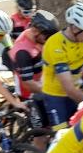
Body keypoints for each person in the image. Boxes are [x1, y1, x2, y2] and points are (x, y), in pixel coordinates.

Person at [39, 4, 83, 130]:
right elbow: (68, 88)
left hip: (74, 92)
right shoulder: (56, 45)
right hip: (55, 96)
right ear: (74, 28)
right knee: (61, 135)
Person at [6, 10, 59, 139]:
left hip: (41, 82)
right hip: (29, 93)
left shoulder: (36, 36)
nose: (49, 40)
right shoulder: (23, 51)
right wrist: (52, 90)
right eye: (47, 36)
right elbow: (28, 84)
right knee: (40, 135)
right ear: (36, 31)